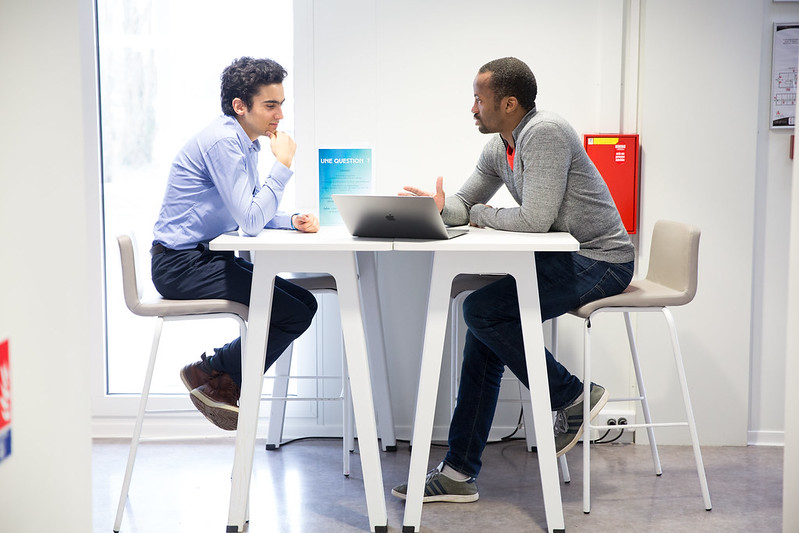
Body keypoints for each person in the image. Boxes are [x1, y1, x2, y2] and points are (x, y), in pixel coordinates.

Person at [392, 57, 635, 503]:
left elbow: (536, 220)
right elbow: (466, 202)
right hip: (568, 259)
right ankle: (458, 474)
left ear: (508, 103)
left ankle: (571, 396)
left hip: (602, 260)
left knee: (482, 310)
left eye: (478, 100)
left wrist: (481, 214)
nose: (472, 109)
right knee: (485, 324)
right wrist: (439, 208)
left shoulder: (546, 133)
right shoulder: (498, 146)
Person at [150, 57, 320, 431]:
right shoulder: (225, 142)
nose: (279, 115)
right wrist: (284, 167)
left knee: (304, 304)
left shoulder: (245, 143)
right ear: (240, 106)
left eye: (281, 105)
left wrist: (290, 221)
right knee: (295, 312)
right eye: (270, 105)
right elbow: (250, 220)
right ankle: (213, 373)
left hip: (203, 259)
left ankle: (215, 375)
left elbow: (250, 210)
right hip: (180, 266)